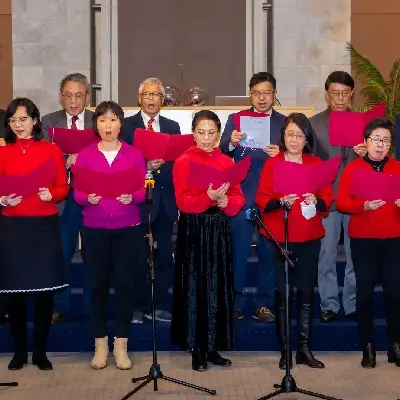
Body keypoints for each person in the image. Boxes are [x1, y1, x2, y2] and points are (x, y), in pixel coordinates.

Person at [255, 113, 334, 370]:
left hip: (309, 235)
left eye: (300, 135)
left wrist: (316, 200)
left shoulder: (315, 163)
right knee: (283, 292)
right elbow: (262, 199)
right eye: (290, 134)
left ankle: (304, 348)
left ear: (307, 138)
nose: (294, 140)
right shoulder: (273, 163)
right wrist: (280, 201)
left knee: (306, 290)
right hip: (281, 237)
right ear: (283, 136)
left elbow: (327, 197)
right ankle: (285, 350)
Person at [74, 101, 146, 370]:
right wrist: (88, 198)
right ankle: (100, 344)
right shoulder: (85, 155)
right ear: (96, 125)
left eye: (113, 120)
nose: (107, 125)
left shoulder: (134, 154)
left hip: (128, 227)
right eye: (102, 120)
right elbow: (77, 193)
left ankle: (121, 344)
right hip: (95, 228)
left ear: (120, 124)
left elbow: (142, 190)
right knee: (98, 286)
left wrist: (133, 196)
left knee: (126, 284)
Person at [171, 110, 245, 371]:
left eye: (211, 133)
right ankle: (197, 348)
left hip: (219, 228)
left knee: (218, 286)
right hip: (194, 228)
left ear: (218, 135)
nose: (205, 138)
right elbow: (182, 201)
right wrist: (209, 198)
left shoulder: (226, 161)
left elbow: (238, 197)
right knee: (196, 287)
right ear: (193, 134)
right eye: (201, 132)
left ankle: (214, 346)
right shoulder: (183, 161)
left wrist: (226, 202)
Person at [0, 98, 69, 371]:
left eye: (23, 119)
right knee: (15, 294)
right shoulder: (3, 152)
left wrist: (51, 194)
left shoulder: (51, 150)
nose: (18, 125)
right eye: (13, 120)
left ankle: (40, 352)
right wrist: (3, 200)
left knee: (44, 293)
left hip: (43, 226)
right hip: (13, 227)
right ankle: (19, 352)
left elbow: (63, 187)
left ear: (35, 120)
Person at [220, 72, 286, 323]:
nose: (261, 98)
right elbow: (221, 151)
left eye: (266, 92)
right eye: (256, 93)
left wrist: (281, 153)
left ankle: (264, 303)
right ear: (250, 95)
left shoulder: (284, 122)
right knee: (237, 251)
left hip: (271, 196)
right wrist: (231, 142)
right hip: (242, 194)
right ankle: (235, 302)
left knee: (269, 252)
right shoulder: (236, 119)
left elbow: (298, 152)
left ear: (274, 94)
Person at [337, 118, 400, 368]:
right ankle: (368, 347)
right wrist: (363, 205)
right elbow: (342, 202)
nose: (380, 145)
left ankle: (396, 345)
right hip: (363, 240)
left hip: (393, 238)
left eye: (386, 140)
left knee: (395, 294)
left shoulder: (397, 167)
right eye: (376, 139)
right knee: (364, 294)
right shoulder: (353, 169)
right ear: (365, 141)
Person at [310, 71, 367, 323]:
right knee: (326, 254)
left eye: (345, 93)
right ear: (327, 94)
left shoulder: (364, 123)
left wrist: (367, 153)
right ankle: (329, 304)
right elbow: (308, 160)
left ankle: (352, 303)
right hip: (328, 197)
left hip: (356, 197)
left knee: (356, 255)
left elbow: (379, 158)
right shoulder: (314, 124)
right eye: (335, 93)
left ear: (352, 93)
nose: (340, 98)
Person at [124, 77, 181, 324]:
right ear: (139, 98)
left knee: (164, 257)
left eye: (156, 95)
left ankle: (157, 306)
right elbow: (122, 163)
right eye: (147, 94)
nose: (151, 99)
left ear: (162, 100)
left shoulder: (172, 126)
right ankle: (137, 306)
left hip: (165, 200)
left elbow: (179, 164)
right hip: (136, 201)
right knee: (136, 257)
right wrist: (144, 166)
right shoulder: (127, 126)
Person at [42, 73, 94, 323]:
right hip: (64, 197)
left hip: (93, 196)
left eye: (79, 96)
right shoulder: (48, 121)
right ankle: (59, 306)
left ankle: (93, 307)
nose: (73, 101)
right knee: (62, 251)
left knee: (93, 254)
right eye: (69, 96)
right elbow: (43, 159)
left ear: (87, 97)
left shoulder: (98, 120)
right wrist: (65, 160)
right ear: (61, 97)